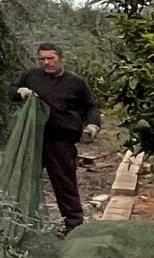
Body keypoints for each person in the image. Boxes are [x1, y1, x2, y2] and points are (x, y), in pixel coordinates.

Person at [16, 42, 100, 234]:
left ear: (62, 59)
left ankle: (74, 228)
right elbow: (12, 90)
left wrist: (93, 124)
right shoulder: (32, 76)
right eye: (42, 59)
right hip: (32, 140)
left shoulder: (76, 83)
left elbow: (90, 106)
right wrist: (19, 92)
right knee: (25, 182)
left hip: (61, 141)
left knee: (65, 185)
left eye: (50, 58)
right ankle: (20, 226)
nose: (46, 62)